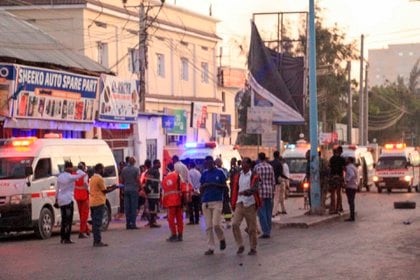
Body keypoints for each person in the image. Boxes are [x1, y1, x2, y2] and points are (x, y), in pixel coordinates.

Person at [231, 157, 260, 256]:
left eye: (244, 163)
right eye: (242, 163)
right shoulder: (238, 175)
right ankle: (240, 245)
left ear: (249, 165)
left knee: (251, 228)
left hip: (250, 203)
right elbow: (234, 188)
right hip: (240, 202)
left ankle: (253, 248)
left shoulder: (254, 176)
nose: (242, 165)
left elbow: (255, 188)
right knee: (235, 224)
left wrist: (246, 192)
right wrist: (233, 201)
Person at [200, 156, 228, 255]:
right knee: (208, 226)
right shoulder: (204, 174)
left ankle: (222, 238)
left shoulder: (220, 173)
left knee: (216, 224)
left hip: (217, 201)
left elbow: (225, 186)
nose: (208, 164)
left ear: (213, 162)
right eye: (206, 163)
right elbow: (201, 187)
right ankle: (210, 247)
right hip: (206, 201)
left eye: (210, 162)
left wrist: (213, 184)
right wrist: (201, 198)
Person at [56, 161, 86, 244]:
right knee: (68, 220)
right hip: (68, 200)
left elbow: (57, 189)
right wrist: (78, 169)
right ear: (69, 168)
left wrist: (56, 199)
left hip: (61, 200)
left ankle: (62, 238)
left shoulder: (60, 177)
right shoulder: (70, 177)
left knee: (63, 219)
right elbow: (82, 174)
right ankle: (67, 238)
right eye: (71, 167)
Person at [90, 163, 118, 247]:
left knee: (94, 222)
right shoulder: (99, 179)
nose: (103, 171)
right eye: (102, 169)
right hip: (99, 202)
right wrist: (114, 188)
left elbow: (101, 188)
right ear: (99, 169)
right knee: (98, 223)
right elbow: (104, 191)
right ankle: (98, 241)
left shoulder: (93, 178)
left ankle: (95, 240)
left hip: (92, 202)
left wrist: (110, 187)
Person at [254, 152, 275, 239]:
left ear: (259, 158)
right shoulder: (270, 167)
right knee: (268, 212)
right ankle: (268, 230)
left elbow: (254, 181)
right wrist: (273, 191)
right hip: (269, 191)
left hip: (260, 192)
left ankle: (265, 231)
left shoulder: (257, 167)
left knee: (261, 213)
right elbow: (273, 180)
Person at [162, 169, 184, 242]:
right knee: (179, 218)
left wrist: (164, 203)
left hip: (170, 202)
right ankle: (180, 235)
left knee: (171, 219)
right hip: (178, 200)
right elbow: (182, 187)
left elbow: (164, 192)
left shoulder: (165, 179)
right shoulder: (178, 176)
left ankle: (174, 234)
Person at [120, 157, 140, 229]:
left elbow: (121, 179)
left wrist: (123, 188)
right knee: (133, 207)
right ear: (134, 162)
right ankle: (133, 223)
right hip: (134, 189)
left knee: (127, 207)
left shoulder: (124, 169)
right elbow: (137, 179)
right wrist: (140, 186)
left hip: (126, 189)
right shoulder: (136, 169)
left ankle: (128, 223)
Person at [74, 162, 90, 238]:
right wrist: (90, 192)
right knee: (85, 214)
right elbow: (86, 185)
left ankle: (86, 230)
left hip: (77, 195)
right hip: (84, 195)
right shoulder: (84, 175)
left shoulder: (74, 174)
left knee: (81, 214)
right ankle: (81, 232)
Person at [270, 151, 289, 217]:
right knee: (276, 198)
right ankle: (274, 213)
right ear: (278, 156)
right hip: (277, 182)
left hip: (271, 183)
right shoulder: (279, 164)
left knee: (273, 198)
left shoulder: (271, 163)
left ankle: (276, 211)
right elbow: (281, 174)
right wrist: (287, 178)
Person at [215, 158, 232, 229]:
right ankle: (220, 221)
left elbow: (227, 177)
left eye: (220, 162)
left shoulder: (224, 170)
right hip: (218, 191)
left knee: (226, 206)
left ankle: (228, 221)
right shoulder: (215, 171)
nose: (219, 163)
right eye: (217, 162)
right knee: (218, 207)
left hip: (224, 190)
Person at [329, 146, 346, 214]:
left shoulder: (331, 159)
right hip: (339, 177)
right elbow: (344, 168)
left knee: (332, 193)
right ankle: (339, 207)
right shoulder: (342, 159)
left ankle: (333, 207)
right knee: (338, 193)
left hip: (333, 177)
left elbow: (329, 167)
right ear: (340, 151)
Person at [145, 159, 162, 228]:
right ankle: (153, 222)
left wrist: (148, 190)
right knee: (154, 207)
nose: (160, 165)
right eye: (159, 163)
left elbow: (147, 181)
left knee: (151, 207)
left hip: (149, 192)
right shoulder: (156, 171)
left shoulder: (149, 170)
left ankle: (151, 221)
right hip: (154, 193)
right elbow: (155, 183)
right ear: (156, 164)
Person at [344, 157, 358, 222]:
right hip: (354, 186)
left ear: (349, 161)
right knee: (352, 201)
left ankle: (352, 216)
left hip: (350, 186)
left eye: (347, 160)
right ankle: (352, 216)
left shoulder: (349, 167)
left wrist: (347, 181)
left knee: (350, 201)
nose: (346, 160)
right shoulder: (354, 167)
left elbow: (352, 174)